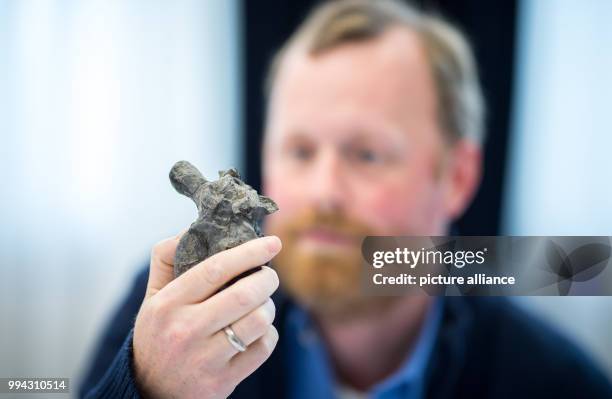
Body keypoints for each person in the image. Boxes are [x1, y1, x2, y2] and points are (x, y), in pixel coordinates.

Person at [80, 1, 612, 398]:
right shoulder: (170, 313)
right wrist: (146, 386)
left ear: (458, 176)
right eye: (299, 150)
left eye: (367, 154)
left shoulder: (556, 381)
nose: (323, 190)